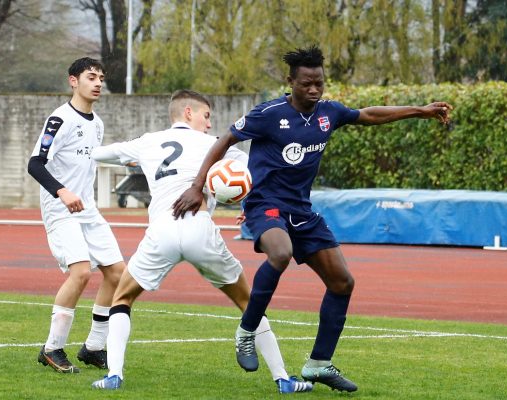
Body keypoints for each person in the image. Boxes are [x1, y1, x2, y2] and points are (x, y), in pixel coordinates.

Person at [172, 46, 453, 393]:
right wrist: (198, 185)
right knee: (280, 253)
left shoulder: (328, 113)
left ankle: (318, 364)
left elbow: (369, 115)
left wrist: (420, 111)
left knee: (342, 282)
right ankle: (247, 331)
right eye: (306, 83)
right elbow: (225, 139)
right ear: (290, 81)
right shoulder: (268, 114)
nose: (314, 90)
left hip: (302, 211)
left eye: (319, 83)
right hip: (265, 205)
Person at [89, 89, 313, 394]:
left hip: (162, 231)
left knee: (122, 299)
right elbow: (253, 173)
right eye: (206, 116)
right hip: (200, 230)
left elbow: (99, 153)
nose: (209, 124)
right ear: (188, 113)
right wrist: (252, 207)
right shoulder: (214, 145)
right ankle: (283, 378)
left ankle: (114, 374)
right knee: (248, 302)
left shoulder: (146, 142)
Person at [27, 57, 126, 373]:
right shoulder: (59, 119)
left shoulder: (96, 123)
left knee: (117, 273)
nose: (97, 83)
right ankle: (52, 348)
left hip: (88, 210)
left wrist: (129, 161)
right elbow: (35, 164)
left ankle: (94, 347)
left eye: (101, 77)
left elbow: (91, 157)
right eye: (90, 77)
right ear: (73, 81)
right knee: (81, 272)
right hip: (61, 210)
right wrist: (62, 191)